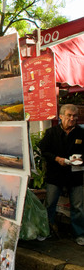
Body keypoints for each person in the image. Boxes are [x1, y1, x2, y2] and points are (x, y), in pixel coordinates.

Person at [39, 104, 84, 246]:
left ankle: (79, 234)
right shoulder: (51, 132)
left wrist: (81, 159)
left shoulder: (81, 133)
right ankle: (46, 230)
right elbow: (43, 150)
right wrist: (56, 158)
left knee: (78, 206)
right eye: (69, 115)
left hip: (76, 176)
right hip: (55, 175)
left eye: (75, 116)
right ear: (61, 116)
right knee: (50, 204)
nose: (72, 118)